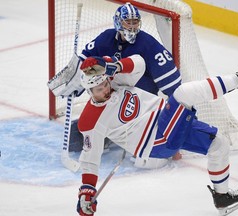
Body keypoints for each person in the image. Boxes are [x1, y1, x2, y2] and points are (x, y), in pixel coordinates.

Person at [76, 52, 238, 216]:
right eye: (99, 89)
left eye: (105, 84)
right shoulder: (90, 120)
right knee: (183, 93)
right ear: (89, 91)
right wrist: (87, 191)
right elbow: (90, 160)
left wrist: (114, 66)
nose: (106, 89)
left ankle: (223, 198)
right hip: (157, 140)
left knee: (219, 144)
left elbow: (140, 63)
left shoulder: (115, 79)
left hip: (167, 123)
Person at [69, 2, 183, 161]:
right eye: (127, 22)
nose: (131, 26)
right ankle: (110, 134)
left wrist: (180, 128)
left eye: (135, 22)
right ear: (118, 22)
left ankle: (116, 134)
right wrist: (75, 84)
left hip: (139, 108)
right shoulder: (106, 38)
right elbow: (86, 63)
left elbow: (174, 87)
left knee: (145, 160)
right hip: (112, 101)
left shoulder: (148, 45)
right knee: (74, 137)